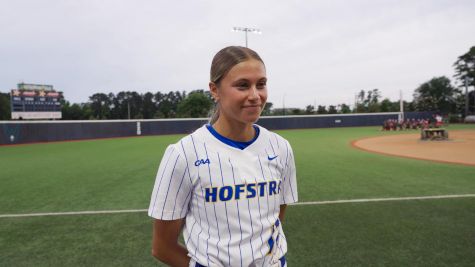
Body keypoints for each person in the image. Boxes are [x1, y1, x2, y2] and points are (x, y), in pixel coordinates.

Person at [148, 46, 298, 267]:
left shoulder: (280, 148)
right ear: (215, 90)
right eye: (242, 85)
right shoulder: (184, 154)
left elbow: (275, 218)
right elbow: (162, 248)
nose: (255, 96)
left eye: (261, 84)